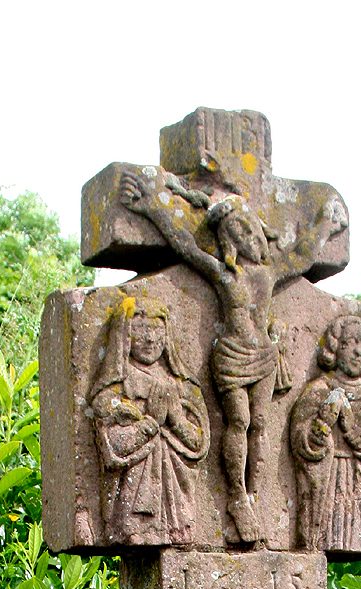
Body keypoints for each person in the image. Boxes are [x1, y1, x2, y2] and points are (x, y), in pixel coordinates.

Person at [119, 171, 348, 544]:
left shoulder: (269, 273)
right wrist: (151, 208)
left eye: (251, 231)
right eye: (239, 233)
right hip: (231, 355)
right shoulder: (226, 275)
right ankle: (236, 495)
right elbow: (186, 247)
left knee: (260, 423)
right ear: (228, 240)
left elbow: (303, 255)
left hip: (264, 356)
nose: (249, 239)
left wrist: (326, 224)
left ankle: (253, 497)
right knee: (238, 421)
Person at [90, 296, 210, 547]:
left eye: (157, 331)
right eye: (141, 330)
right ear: (125, 335)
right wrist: (150, 423)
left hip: (178, 505)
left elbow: (199, 444)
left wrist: (176, 420)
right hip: (131, 507)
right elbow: (112, 447)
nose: (150, 339)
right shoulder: (114, 390)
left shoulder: (183, 386)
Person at [289, 312, 361, 554]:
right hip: (328, 479)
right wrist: (322, 426)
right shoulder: (319, 389)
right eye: (349, 343)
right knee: (325, 536)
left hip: (359, 481)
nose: (357, 352)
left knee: (359, 536)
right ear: (335, 348)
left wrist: (351, 428)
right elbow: (301, 439)